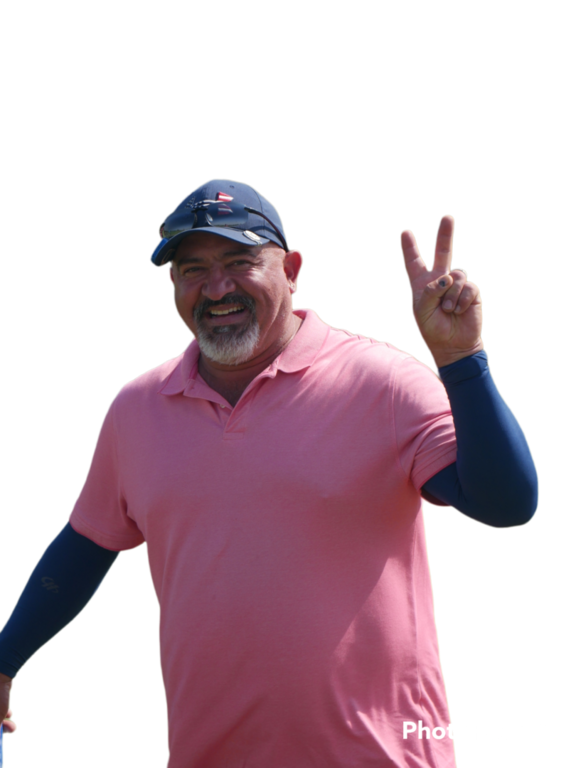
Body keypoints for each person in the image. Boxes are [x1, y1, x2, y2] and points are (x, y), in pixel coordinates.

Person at [0, 177, 539, 767]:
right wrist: (3, 661)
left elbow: (508, 503)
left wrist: (461, 361)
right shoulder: (137, 409)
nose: (217, 288)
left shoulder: (383, 382)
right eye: (193, 269)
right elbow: (85, 546)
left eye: (239, 261)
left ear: (291, 269)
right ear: (173, 283)